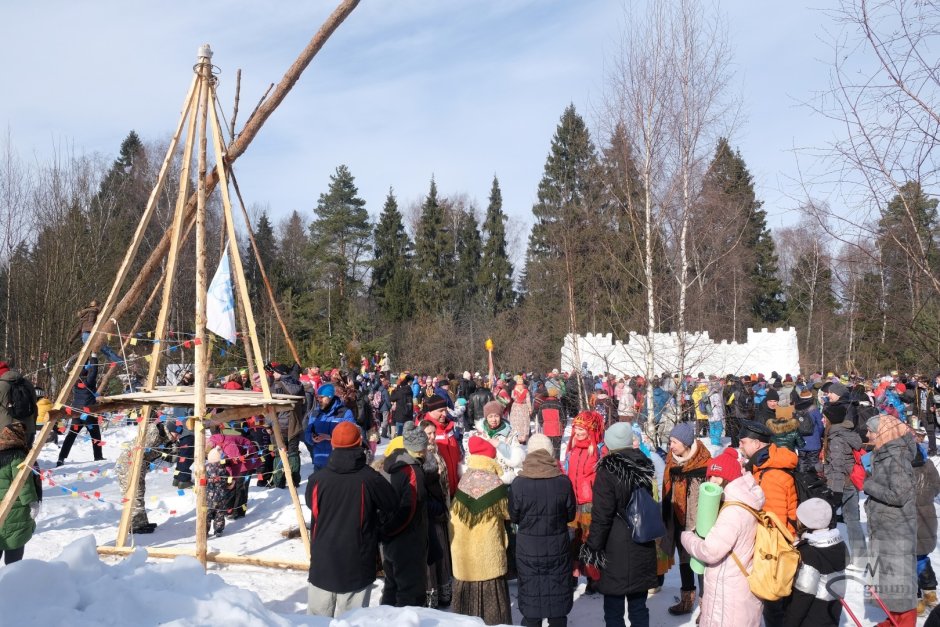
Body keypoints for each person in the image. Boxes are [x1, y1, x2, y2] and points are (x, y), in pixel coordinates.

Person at [305, 421, 397, 617]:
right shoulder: (370, 478)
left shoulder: (317, 479)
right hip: (357, 561)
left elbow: (312, 506)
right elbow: (391, 503)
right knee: (352, 620)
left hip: (323, 560)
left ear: (332, 445)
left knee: (316, 621)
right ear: (359, 444)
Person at [580, 422, 657, 627]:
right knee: (639, 607)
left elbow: (602, 516)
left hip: (616, 547)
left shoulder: (607, 471)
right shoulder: (644, 465)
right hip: (642, 540)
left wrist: (593, 547)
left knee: (614, 609)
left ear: (610, 444)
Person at [679, 447, 764, 627]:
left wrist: (687, 537)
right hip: (740, 589)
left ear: (729, 478)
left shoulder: (733, 511)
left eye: (717, 477)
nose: (712, 481)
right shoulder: (746, 501)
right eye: (710, 476)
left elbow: (710, 551)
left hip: (728, 594)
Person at [510, 434, 576, 627]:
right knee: (557, 594)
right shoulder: (563, 482)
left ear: (529, 453)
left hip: (528, 549)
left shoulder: (519, 483)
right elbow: (570, 514)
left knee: (531, 593)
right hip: (558, 547)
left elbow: (514, 516)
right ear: (550, 453)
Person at [449, 436, 512, 625]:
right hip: (488, 556)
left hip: (464, 560)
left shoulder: (464, 481)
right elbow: (508, 514)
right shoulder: (496, 485)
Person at [865, 413, 919, 626]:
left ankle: (904, 622)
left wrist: (867, 484)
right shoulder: (886, 452)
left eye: (871, 431)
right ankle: (894, 619)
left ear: (883, 433)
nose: (867, 435)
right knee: (891, 579)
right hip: (889, 526)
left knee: (900, 581)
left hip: (897, 529)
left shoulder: (896, 458)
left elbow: (899, 494)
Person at [661, 420, 710, 616]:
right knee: (684, 560)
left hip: (699, 522)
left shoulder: (704, 462)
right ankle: (687, 601)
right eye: (670, 441)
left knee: (700, 565)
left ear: (686, 444)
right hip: (678, 517)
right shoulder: (672, 460)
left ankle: (706, 607)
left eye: (674, 442)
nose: (670, 446)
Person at [381, 423, 430, 608]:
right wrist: (392, 530)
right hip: (407, 539)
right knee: (409, 592)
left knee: (391, 586)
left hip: (390, 540)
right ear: (420, 448)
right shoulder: (412, 471)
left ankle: (385, 618)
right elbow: (409, 509)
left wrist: (385, 532)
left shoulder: (390, 465)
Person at [0, 361, 39, 565]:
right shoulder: (25, 382)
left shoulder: (1, 385)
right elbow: (35, 409)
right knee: (24, 473)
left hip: (4, 437)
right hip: (24, 436)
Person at [565, 410, 604, 594]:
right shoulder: (572, 447)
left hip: (588, 501)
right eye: (576, 428)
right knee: (572, 539)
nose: (579, 432)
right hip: (573, 499)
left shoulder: (595, 449)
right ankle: (572, 576)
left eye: (582, 429)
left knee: (589, 539)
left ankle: (593, 578)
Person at [115, 417, 173, 534]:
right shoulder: (155, 433)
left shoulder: (164, 436)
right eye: (177, 433)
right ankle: (134, 525)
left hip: (139, 465)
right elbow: (139, 451)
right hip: (129, 464)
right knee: (134, 493)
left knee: (140, 492)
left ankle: (141, 522)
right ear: (171, 430)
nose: (177, 437)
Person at [419, 418, 453, 609]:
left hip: (441, 507)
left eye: (433, 433)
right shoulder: (424, 456)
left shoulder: (437, 452)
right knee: (433, 554)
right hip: (432, 511)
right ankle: (432, 597)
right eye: (428, 434)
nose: (432, 437)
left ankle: (443, 593)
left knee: (442, 554)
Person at [57, 355, 105, 466]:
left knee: (71, 436)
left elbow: (86, 371)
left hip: (76, 414)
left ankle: (61, 458)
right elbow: (94, 370)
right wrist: (94, 357)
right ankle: (98, 457)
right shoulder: (89, 382)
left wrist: (86, 361)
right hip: (88, 414)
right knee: (95, 435)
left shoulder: (75, 383)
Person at [913, 429, 940, 615]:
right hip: (928, 517)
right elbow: (937, 486)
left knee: (907, 560)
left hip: (908, 520)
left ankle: (915, 598)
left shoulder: (901, 471)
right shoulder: (929, 465)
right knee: (921, 556)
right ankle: (930, 591)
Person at [304, 383, 356, 473]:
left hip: (337, 463)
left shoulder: (344, 413)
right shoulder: (315, 413)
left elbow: (351, 437)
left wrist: (330, 438)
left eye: (322, 397)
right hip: (319, 462)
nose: (319, 399)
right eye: (318, 397)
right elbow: (307, 433)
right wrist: (312, 438)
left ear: (330, 396)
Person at [422, 395, 462, 497]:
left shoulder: (449, 427)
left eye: (446, 410)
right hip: (439, 491)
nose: (444, 414)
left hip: (455, 487)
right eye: (440, 411)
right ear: (431, 411)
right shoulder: (425, 430)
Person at [794, 389, 824, 473]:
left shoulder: (796, 409)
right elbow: (820, 425)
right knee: (813, 464)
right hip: (813, 441)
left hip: (800, 442)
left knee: (801, 463)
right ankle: (812, 482)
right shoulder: (814, 409)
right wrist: (818, 436)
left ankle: (802, 481)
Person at [536, 387, 566, 459]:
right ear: (556, 395)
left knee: (547, 447)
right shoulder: (559, 404)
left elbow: (540, 418)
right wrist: (563, 426)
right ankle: (556, 463)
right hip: (557, 429)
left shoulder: (542, 405)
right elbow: (563, 417)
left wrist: (543, 424)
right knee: (556, 448)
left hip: (547, 429)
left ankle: (548, 462)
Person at [508, 376, 533, 444]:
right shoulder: (526, 391)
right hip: (524, 407)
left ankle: (516, 436)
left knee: (516, 422)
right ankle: (523, 437)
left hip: (516, 407)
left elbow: (512, 397)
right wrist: (530, 409)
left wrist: (517, 399)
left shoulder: (514, 390)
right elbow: (528, 400)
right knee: (524, 422)